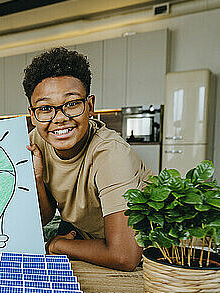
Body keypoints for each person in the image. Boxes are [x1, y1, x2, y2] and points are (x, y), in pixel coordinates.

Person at [23, 47, 151, 271]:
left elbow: (125, 256)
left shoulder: (111, 154)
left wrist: (59, 245)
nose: (59, 118)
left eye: (71, 103)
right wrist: (36, 179)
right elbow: (43, 218)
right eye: (45, 108)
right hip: (84, 233)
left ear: (90, 106)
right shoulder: (37, 140)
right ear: (33, 115)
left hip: (140, 247)